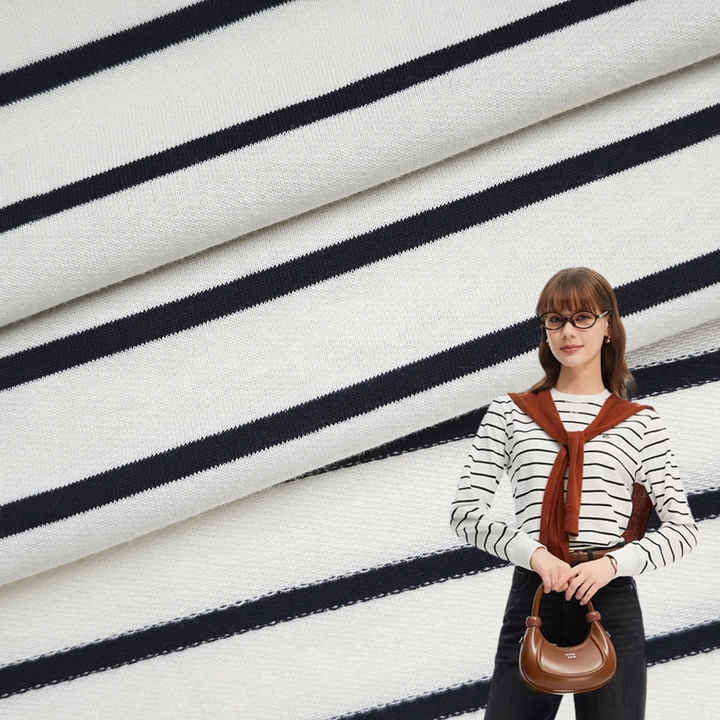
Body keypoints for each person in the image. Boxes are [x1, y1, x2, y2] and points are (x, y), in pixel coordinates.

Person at [449, 267, 700, 719]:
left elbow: (682, 530)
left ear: (608, 326)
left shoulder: (640, 422)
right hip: (535, 593)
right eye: (555, 319)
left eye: (582, 318)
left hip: (609, 595)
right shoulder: (510, 413)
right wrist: (536, 556)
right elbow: (465, 513)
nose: (568, 332)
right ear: (544, 331)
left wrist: (611, 565)